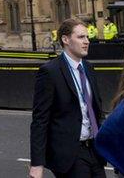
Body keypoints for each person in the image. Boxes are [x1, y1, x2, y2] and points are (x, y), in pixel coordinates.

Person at [29, 18, 105, 178]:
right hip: (70, 154)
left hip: (94, 149)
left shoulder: (89, 68)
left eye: (87, 37)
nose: (87, 41)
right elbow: (40, 120)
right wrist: (37, 164)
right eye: (81, 37)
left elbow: (96, 109)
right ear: (65, 39)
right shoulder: (50, 71)